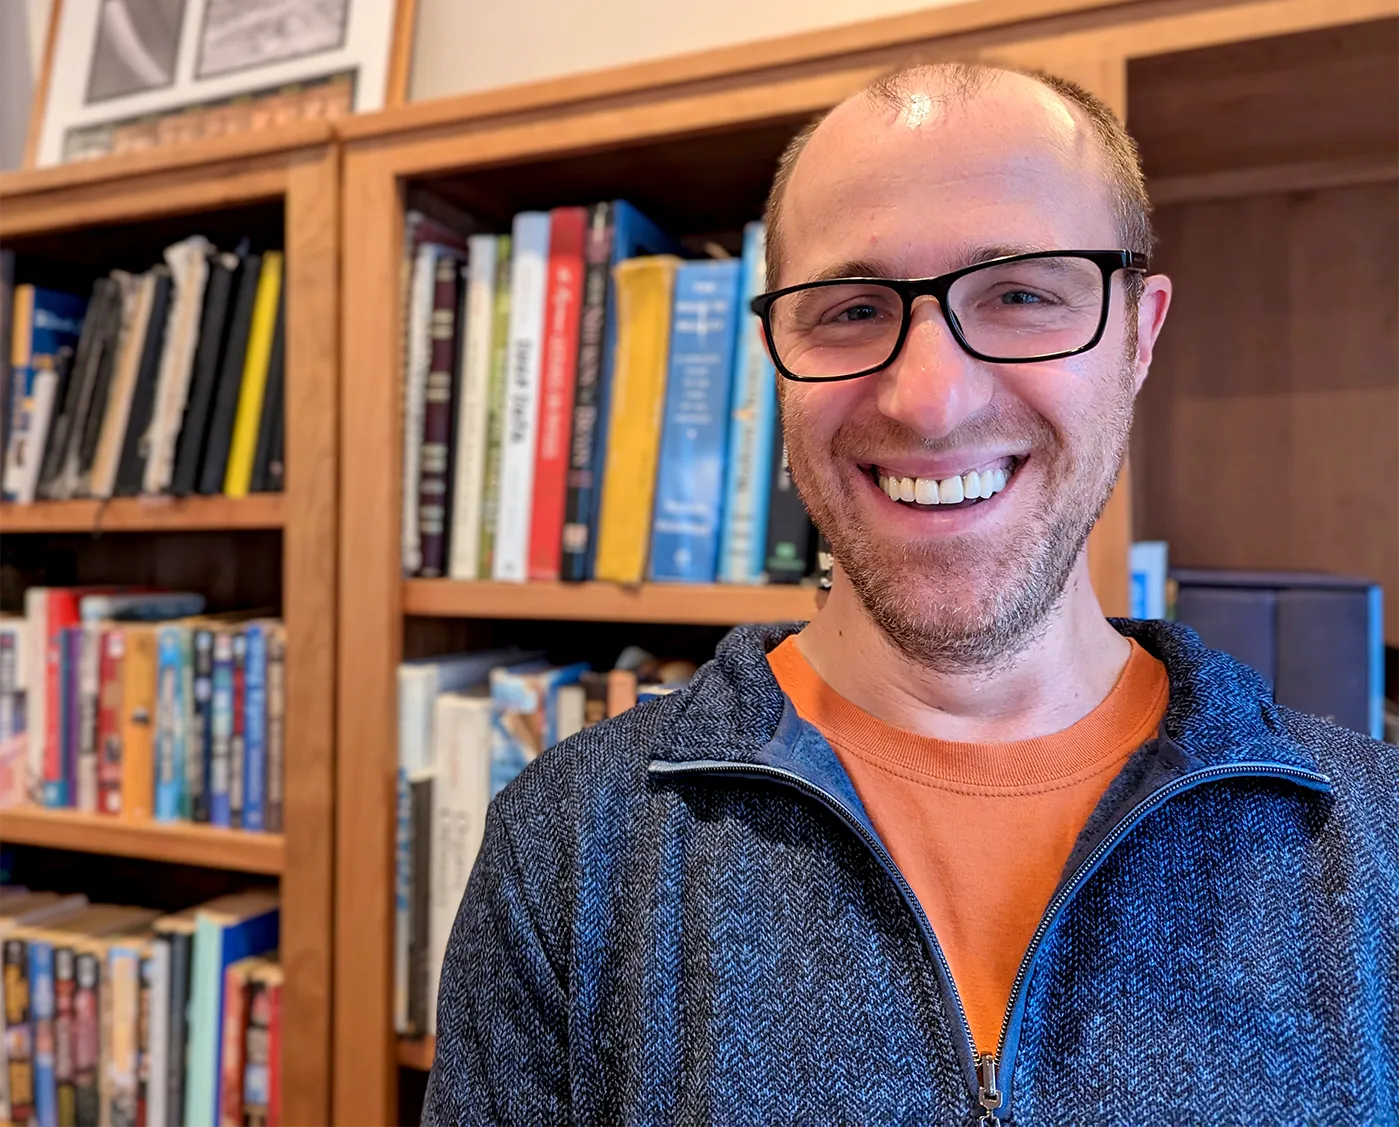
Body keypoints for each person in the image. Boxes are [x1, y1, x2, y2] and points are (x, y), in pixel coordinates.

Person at [425, 62, 1398, 1125]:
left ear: (1138, 332)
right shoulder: (564, 847)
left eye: (1022, 293)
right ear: (775, 356)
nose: (930, 401)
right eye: (848, 309)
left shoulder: (1377, 844)